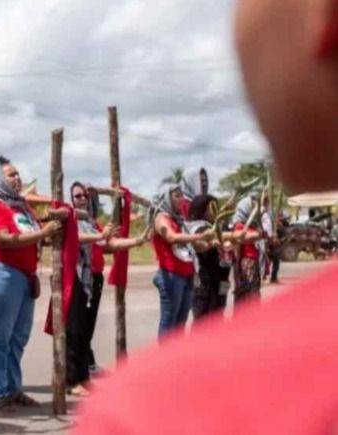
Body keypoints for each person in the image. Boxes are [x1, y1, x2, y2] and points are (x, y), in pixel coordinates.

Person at [76, 1, 338, 433]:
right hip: (179, 276)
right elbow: (176, 239)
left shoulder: (152, 409)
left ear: (323, 19)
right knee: (179, 328)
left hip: (192, 281)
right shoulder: (172, 221)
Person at [0, 156, 63, 410]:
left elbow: (35, 237)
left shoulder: (23, 208)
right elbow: (4, 239)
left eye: (17, 174)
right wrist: (43, 233)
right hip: (3, 274)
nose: (17, 178)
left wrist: (49, 232)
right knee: (0, 337)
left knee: (19, 337)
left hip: (24, 277)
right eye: (10, 175)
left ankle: (13, 388)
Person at [64, 182, 148, 395]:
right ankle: (71, 380)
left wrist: (137, 240)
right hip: (76, 277)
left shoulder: (92, 222)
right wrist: (101, 237)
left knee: (86, 331)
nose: (82, 199)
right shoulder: (69, 218)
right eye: (77, 196)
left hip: (94, 279)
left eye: (84, 195)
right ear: (70, 199)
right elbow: (75, 239)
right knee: (74, 331)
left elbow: (108, 244)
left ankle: (83, 377)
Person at [151, 184, 213, 336]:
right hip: (171, 276)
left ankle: (175, 358)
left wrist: (210, 244)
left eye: (182, 195)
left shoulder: (179, 220)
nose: (182, 199)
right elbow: (171, 237)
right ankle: (165, 358)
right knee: (169, 321)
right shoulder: (161, 218)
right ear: (166, 198)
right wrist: (200, 236)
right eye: (177, 195)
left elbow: (193, 245)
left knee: (181, 322)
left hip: (186, 275)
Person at [188, 195, 232, 320]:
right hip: (206, 282)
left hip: (223, 280)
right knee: (203, 318)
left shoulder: (218, 225)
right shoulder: (199, 227)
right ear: (202, 209)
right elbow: (201, 242)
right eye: (211, 208)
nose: (215, 210)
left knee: (219, 315)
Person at [231, 196, 264, 304]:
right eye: (252, 208)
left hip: (253, 263)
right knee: (247, 297)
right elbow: (237, 252)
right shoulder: (240, 226)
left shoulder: (251, 225)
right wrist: (237, 275)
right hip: (246, 265)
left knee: (253, 294)